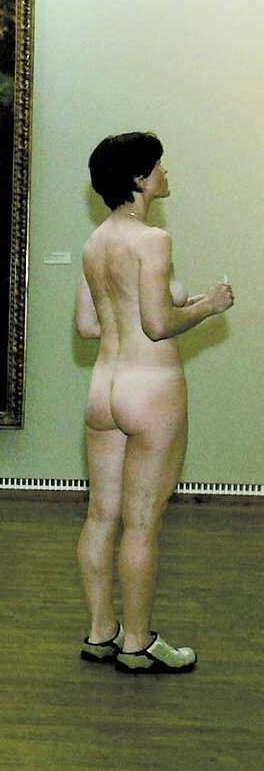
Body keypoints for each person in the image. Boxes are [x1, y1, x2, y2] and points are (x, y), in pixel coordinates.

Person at [74, 131, 233, 673]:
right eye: (159, 165)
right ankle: (138, 643)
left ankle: (101, 632)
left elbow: (89, 324)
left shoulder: (95, 243)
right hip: (151, 390)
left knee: (101, 515)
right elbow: (158, 324)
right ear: (140, 179)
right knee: (141, 523)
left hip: (104, 389)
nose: (166, 173)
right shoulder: (152, 240)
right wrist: (209, 305)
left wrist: (172, 304)